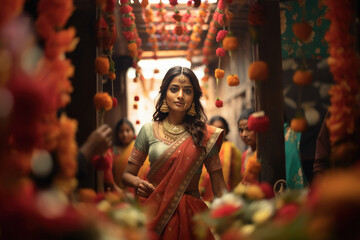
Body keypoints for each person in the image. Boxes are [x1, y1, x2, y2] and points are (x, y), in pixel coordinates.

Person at [122, 66, 227, 239]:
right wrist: (137, 183)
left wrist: (235, 210)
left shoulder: (204, 135)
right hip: (155, 212)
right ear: (164, 94)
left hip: (192, 216)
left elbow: (219, 186)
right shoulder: (148, 130)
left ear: (194, 97)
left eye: (187, 91)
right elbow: (127, 175)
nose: (180, 95)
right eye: (174, 89)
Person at [200, 116, 242, 201]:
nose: (218, 131)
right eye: (215, 128)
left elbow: (237, 176)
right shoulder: (204, 148)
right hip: (204, 195)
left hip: (226, 194)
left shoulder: (231, 148)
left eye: (221, 128)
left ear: (225, 130)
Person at [110, 118, 149, 189]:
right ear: (117, 134)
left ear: (133, 131)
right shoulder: (113, 151)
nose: (124, 134)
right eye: (121, 131)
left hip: (138, 187)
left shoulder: (138, 147)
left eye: (127, 130)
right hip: (118, 190)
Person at [237, 109, 256, 177]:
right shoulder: (245, 155)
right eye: (241, 130)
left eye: (248, 129)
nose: (244, 134)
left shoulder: (265, 154)